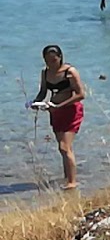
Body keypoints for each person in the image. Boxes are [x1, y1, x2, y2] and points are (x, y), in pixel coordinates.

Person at [29, 44, 85, 189]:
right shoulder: (45, 73)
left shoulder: (69, 72)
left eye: (53, 60)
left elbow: (80, 94)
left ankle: (72, 182)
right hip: (54, 112)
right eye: (47, 61)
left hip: (71, 111)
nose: (51, 64)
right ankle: (68, 177)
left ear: (60, 58)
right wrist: (36, 103)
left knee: (64, 147)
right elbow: (43, 91)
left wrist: (60, 105)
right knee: (63, 149)